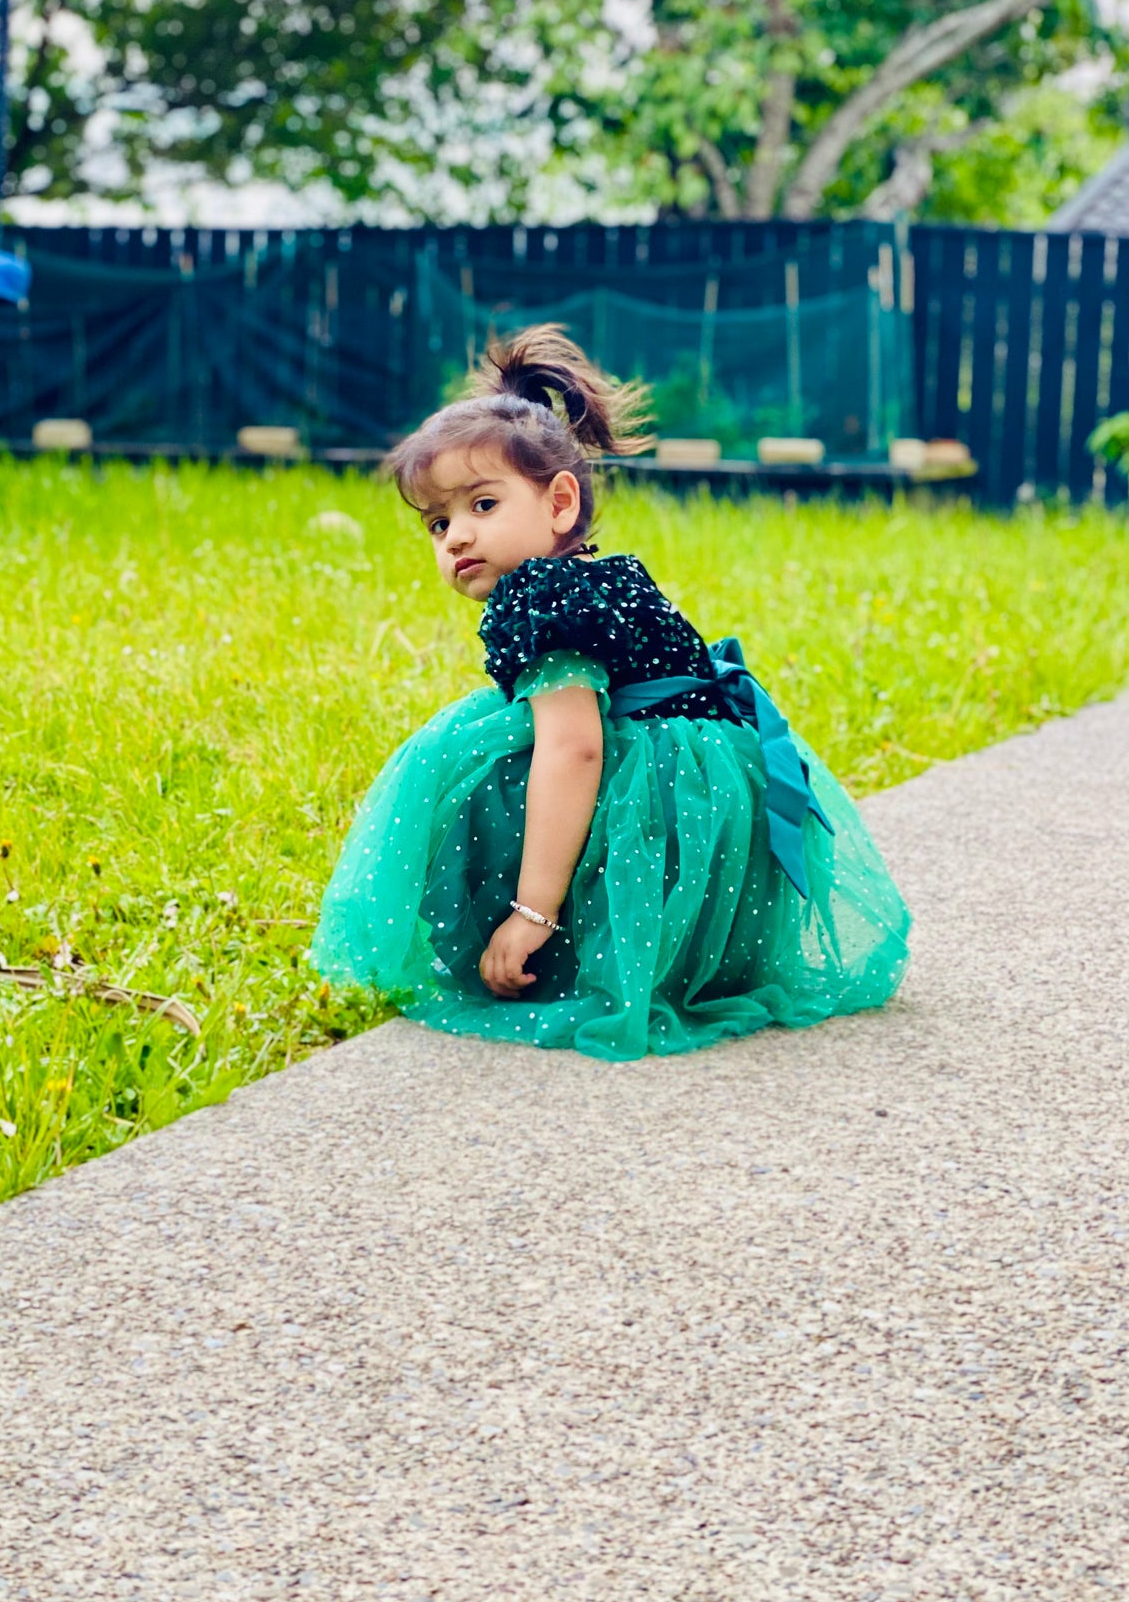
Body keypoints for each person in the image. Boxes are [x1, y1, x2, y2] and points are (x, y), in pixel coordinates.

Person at [310, 326, 911, 1062]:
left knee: (484, 771)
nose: (456, 536)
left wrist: (532, 911)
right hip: (720, 829)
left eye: (482, 505)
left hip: (669, 817)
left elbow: (576, 750)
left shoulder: (540, 596)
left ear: (559, 503)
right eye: (438, 523)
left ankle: (546, 945)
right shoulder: (603, 573)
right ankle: (681, 952)